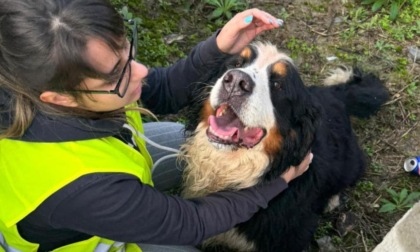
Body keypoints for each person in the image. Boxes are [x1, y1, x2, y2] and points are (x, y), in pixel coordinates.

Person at [0, 0, 313, 251]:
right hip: (91, 234)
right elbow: (191, 222)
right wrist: (274, 186)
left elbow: (160, 89)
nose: (140, 70)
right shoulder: (81, 189)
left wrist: (218, 46)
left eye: (126, 49)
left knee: (185, 139)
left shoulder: (43, 82)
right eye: (116, 74)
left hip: (108, 174)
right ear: (61, 99)